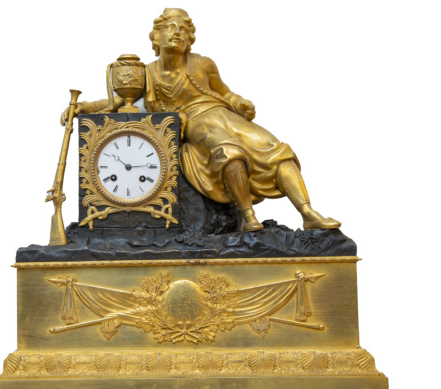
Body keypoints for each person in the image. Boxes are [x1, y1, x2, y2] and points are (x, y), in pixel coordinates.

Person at [62, 8, 340, 231]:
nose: (178, 33)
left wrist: (239, 103)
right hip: (193, 123)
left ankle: (307, 212)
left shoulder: (203, 64)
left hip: (222, 114)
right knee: (229, 152)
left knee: (276, 150)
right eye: (171, 28)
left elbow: (225, 93)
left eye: (184, 29)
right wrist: (82, 107)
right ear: (156, 37)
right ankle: (248, 217)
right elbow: (114, 103)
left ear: (190, 39)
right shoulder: (147, 73)